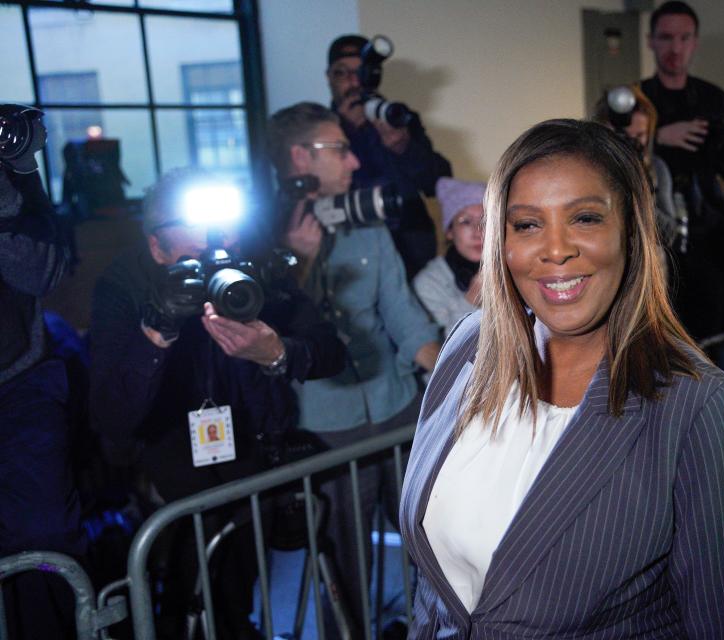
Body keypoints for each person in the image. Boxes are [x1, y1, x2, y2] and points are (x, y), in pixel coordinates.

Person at [400, 119, 724, 638]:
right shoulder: (469, 344)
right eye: (527, 224)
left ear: (631, 230)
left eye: (583, 218)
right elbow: (435, 588)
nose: (555, 250)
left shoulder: (700, 407)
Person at [89, 168, 347, 638]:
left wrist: (278, 353)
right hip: (172, 464)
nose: (218, 250)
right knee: (189, 590)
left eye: (225, 232)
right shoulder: (125, 285)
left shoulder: (251, 269)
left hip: (255, 447)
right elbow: (112, 415)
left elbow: (331, 350)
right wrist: (157, 332)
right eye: (196, 249)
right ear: (157, 247)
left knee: (240, 585)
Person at [266, 101, 441, 630]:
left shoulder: (366, 220)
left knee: (434, 534)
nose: (354, 162)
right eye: (339, 150)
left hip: (396, 400)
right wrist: (301, 259)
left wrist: (452, 374)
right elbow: (277, 331)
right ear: (300, 157)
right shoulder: (261, 234)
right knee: (348, 552)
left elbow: (403, 314)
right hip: (327, 420)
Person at [0, 108, 83, 639]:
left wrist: (16, 168)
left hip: (20, 386)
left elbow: (41, 269)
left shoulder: (9, 151)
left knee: (45, 546)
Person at [640, 1, 724, 337]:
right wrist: (660, 137)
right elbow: (611, 153)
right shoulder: (638, 97)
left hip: (707, 222)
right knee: (661, 327)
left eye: (684, 38)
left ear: (695, 42)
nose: (676, 48)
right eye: (667, 38)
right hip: (656, 224)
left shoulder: (713, 97)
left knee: (711, 324)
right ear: (651, 41)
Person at [326, 34, 453, 278]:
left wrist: (404, 148)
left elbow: (439, 183)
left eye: (360, 71)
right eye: (342, 73)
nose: (353, 82)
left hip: (411, 249)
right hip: (349, 249)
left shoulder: (397, 117)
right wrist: (343, 132)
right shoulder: (321, 126)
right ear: (329, 78)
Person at [592, 83, 678, 249]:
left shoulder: (656, 168)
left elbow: (668, 235)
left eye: (639, 135)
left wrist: (636, 185)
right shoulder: (588, 169)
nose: (631, 143)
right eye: (622, 135)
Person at [413, 177, 484, 337]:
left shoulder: (515, 265)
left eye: (485, 220)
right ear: (449, 231)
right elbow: (447, 352)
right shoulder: (429, 283)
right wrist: (471, 300)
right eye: (466, 222)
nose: (478, 232)